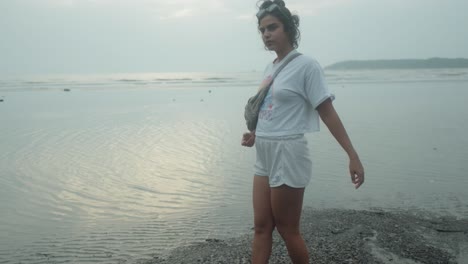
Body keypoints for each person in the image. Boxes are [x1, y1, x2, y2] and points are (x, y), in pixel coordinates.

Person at [241, 1, 365, 263]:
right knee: (261, 227)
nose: (266, 34)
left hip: (288, 152)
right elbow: (273, 109)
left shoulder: (307, 65)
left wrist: (352, 155)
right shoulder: (270, 67)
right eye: (262, 30)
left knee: (287, 229)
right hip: (264, 151)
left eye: (272, 27)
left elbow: (327, 111)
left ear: (289, 27)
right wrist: (255, 134)